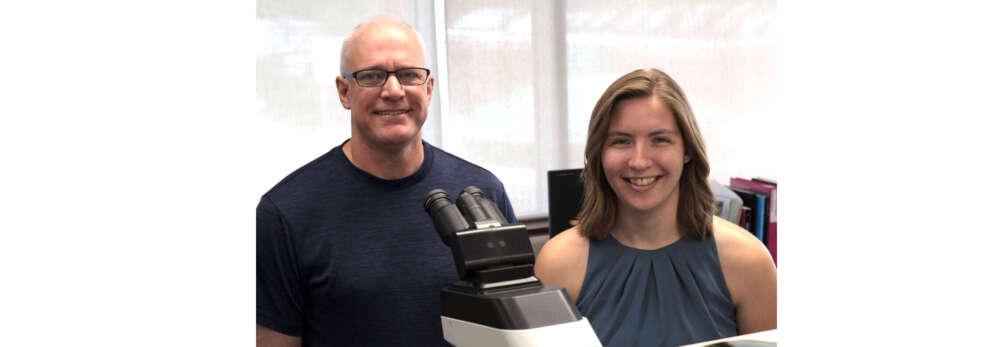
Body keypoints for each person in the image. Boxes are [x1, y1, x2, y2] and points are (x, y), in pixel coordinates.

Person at [256, 15, 517, 347]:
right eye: (372, 76)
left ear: (429, 88)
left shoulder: (484, 192)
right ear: (344, 91)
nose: (393, 91)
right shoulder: (285, 214)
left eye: (409, 75)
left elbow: (511, 325)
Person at [534, 68, 776, 346]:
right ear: (599, 153)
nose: (639, 161)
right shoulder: (557, 263)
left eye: (660, 140)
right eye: (621, 141)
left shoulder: (748, 261)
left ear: (687, 151)